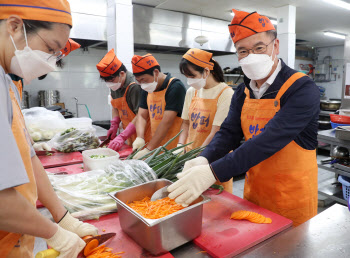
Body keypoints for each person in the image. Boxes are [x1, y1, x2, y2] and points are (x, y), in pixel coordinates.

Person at [168, 9, 319, 227]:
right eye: (243, 51)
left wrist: (213, 172)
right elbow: (228, 133)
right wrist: (205, 157)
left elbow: (270, 139)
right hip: (255, 192)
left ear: (275, 46)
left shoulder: (301, 88)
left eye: (259, 48)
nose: (251, 56)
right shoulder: (242, 91)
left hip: (292, 196)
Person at [0, 1, 98, 257]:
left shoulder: (6, 83)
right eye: (51, 49)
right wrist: (55, 234)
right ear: (14, 26)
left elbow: (28, 158)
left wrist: (62, 217)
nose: (51, 63)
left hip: (15, 237)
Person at [177, 48, 234, 193]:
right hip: (190, 156)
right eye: (186, 76)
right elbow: (185, 123)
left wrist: (200, 158)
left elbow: (216, 132)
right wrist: (180, 146)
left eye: (192, 76)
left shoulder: (226, 93)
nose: (189, 81)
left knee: (216, 203)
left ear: (206, 72)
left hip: (214, 160)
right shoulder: (192, 92)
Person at [131, 53, 186, 159]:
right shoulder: (147, 88)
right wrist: (140, 137)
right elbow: (142, 115)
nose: (142, 84)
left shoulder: (175, 86)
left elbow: (166, 122)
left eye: (144, 80)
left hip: (174, 149)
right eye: (139, 81)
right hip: (157, 148)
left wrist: (148, 149)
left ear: (156, 72)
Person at [96, 49, 145, 151]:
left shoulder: (134, 86)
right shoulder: (116, 85)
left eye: (111, 80)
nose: (110, 84)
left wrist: (122, 136)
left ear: (122, 73)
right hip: (129, 132)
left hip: (142, 133)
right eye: (106, 81)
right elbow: (115, 106)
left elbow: (140, 115)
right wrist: (114, 124)